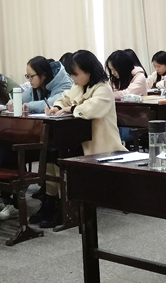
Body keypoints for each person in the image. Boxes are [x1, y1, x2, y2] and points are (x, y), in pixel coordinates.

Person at [35, 50, 127, 228]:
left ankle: (66, 207)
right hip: (80, 140)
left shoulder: (103, 88)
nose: (73, 78)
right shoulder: (78, 86)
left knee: (62, 156)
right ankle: (51, 201)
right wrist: (57, 107)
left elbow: (90, 109)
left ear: (89, 71)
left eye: (75, 74)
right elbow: (64, 98)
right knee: (51, 154)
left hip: (99, 147)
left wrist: (70, 109)